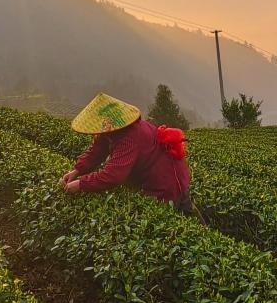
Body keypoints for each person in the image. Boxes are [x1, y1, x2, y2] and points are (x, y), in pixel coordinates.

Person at [59, 93, 198, 217]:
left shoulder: (129, 137)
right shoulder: (112, 131)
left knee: (176, 220)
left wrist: (81, 184)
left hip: (165, 183)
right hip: (157, 177)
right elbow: (97, 150)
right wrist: (77, 170)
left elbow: (113, 175)